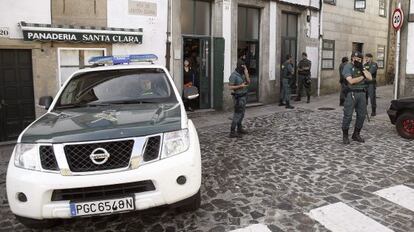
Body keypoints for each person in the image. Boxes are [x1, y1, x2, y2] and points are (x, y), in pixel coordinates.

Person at [341, 51, 373, 144]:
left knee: (362, 115)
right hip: (352, 93)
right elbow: (351, 81)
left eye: (359, 59)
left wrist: (362, 69)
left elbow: (370, 77)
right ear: (352, 58)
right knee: (348, 116)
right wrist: (363, 77)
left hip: (362, 93)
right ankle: (345, 136)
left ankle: (356, 134)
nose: (357, 60)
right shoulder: (348, 66)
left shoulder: (361, 67)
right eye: (355, 59)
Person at [228, 59, 250, 138]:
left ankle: (239, 128)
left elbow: (248, 82)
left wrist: (246, 72)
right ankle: (232, 131)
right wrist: (240, 86)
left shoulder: (243, 73)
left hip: (244, 96)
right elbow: (230, 87)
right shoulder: (234, 75)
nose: (243, 68)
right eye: (242, 66)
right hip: (238, 97)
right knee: (237, 114)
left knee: (242, 113)